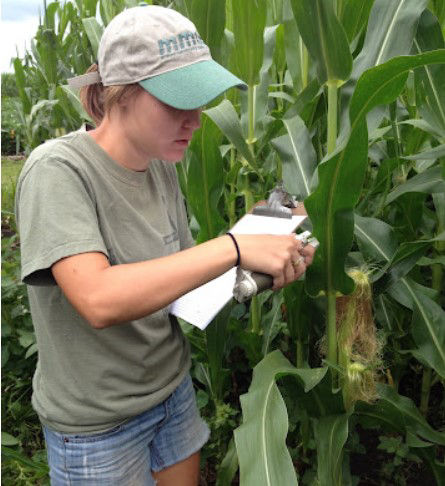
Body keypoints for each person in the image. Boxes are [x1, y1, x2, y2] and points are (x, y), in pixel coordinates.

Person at [15, 5, 316, 486]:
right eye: (178, 102)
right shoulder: (58, 170)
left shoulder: (160, 165)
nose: (195, 120)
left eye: (200, 101)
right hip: (99, 426)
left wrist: (264, 254)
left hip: (171, 392)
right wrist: (235, 246)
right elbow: (98, 298)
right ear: (121, 95)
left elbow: (180, 283)